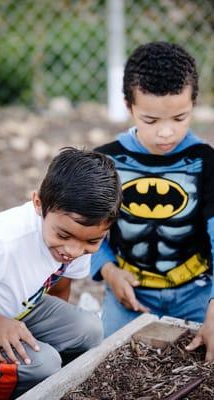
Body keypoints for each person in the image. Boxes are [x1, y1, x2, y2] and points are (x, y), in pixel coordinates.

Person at [0, 147, 122, 400]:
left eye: (92, 241)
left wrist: (50, 337)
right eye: (63, 235)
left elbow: (61, 285)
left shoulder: (77, 240)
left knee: (89, 329)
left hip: (14, 309)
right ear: (38, 204)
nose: (73, 250)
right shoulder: (3, 241)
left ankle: (48, 380)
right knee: (40, 364)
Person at [91, 41, 214, 361]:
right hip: (129, 293)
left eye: (180, 117)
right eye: (151, 120)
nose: (166, 133)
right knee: (103, 359)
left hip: (197, 292)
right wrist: (107, 270)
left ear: (193, 104)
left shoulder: (204, 160)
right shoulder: (107, 159)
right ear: (128, 106)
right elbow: (85, 229)